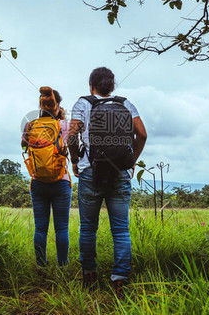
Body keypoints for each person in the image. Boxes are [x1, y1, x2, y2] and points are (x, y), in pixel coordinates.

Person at [67, 67, 147, 291]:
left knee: (88, 228)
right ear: (112, 86)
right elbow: (142, 134)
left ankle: (90, 275)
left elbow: (72, 134)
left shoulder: (83, 104)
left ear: (91, 85)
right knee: (121, 229)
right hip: (120, 172)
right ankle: (120, 279)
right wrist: (131, 161)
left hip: (90, 171)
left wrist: (75, 159)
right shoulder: (126, 104)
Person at [22, 87, 72, 268]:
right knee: (62, 229)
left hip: (37, 182)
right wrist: (63, 118)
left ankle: (41, 265)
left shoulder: (30, 125)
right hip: (61, 182)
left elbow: (23, 144)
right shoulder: (63, 125)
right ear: (57, 106)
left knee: (40, 228)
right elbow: (68, 143)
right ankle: (62, 266)